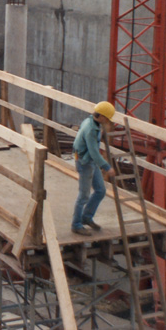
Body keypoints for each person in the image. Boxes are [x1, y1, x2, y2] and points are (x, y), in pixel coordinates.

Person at [71, 101, 117, 236]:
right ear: (101, 116)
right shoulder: (91, 129)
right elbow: (93, 152)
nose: (108, 121)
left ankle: (87, 217)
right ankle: (76, 224)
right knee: (83, 196)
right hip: (85, 162)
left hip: (90, 161)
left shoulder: (92, 121)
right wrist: (107, 167)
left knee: (101, 190)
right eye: (107, 119)